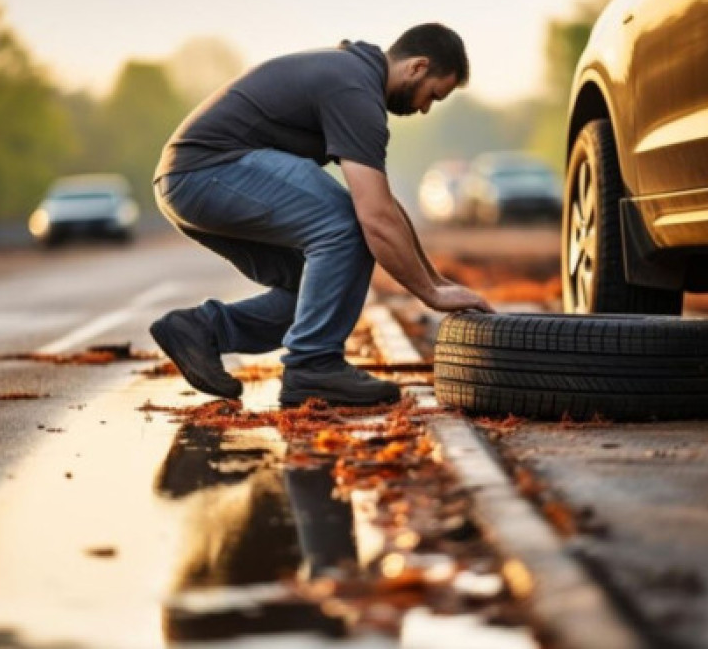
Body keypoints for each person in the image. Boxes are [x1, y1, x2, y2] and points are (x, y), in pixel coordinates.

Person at [150, 22, 493, 407]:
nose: (426, 108)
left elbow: (385, 204)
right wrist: (429, 295)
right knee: (347, 228)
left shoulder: (351, 77)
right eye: (433, 95)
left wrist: (438, 280)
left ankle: (201, 331)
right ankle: (314, 365)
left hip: (190, 181)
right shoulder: (353, 88)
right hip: (208, 171)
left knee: (318, 291)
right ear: (416, 67)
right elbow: (374, 218)